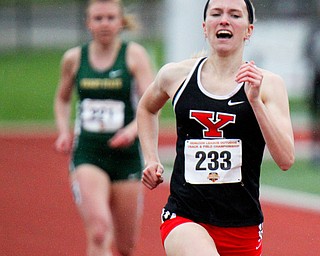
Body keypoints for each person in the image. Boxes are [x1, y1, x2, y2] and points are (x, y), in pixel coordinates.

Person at [137, 0, 295, 255]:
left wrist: (255, 102)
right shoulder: (176, 76)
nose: (224, 20)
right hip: (185, 215)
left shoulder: (269, 85)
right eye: (216, 14)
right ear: (205, 26)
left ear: (249, 30)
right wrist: (150, 158)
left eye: (234, 15)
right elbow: (146, 108)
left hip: (241, 225)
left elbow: (286, 159)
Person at [54, 0, 154, 255]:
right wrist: (64, 131)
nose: (104, 24)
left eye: (110, 17)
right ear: (88, 23)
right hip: (88, 152)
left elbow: (152, 104)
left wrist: (132, 131)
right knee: (98, 231)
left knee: (126, 245)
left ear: (121, 22)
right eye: (98, 18)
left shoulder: (134, 56)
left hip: (127, 156)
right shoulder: (74, 58)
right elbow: (62, 98)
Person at [305, 5, 320, 166]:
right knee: (315, 116)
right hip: (317, 79)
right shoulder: (313, 30)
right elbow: (307, 52)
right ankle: (315, 151)